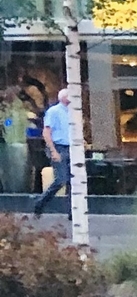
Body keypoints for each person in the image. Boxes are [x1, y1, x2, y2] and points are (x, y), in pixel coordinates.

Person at [31, 88, 75, 218]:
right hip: (59, 147)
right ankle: (40, 203)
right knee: (61, 179)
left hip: (71, 148)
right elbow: (47, 132)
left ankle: (72, 212)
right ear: (63, 98)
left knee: (73, 182)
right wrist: (53, 150)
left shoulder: (73, 112)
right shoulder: (53, 112)